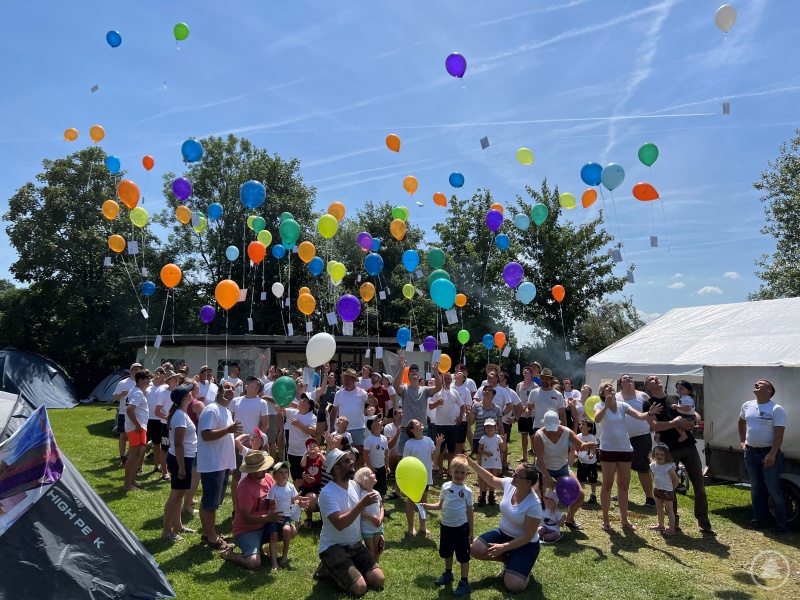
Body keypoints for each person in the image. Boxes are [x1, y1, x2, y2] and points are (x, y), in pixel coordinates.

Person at [644, 375, 716, 535]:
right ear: (648, 387)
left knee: (699, 485)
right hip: (670, 449)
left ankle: (704, 522)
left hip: (689, 446)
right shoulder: (648, 404)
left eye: (656, 378)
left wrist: (693, 421)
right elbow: (655, 425)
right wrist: (676, 423)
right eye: (651, 379)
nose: (655, 379)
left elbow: (694, 413)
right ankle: (673, 523)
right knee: (670, 486)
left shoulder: (675, 398)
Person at [466, 457, 542, 593]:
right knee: (474, 549)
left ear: (528, 482)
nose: (512, 475)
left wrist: (504, 547)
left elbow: (528, 536)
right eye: (513, 471)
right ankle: (509, 561)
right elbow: (490, 479)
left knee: (514, 586)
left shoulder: (534, 505)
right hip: (503, 534)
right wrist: (472, 463)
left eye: (517, 475)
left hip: (526, 544)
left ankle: (525, 571)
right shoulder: (509, 484)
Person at [315, 448, 385, 596]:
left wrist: (377, 533)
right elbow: (340, 524)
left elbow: (374, 507)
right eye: (347, 460)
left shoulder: (354, 485)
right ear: (337, 467)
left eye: (350, 459)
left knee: (379, 580)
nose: (352, 462)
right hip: (333, 548)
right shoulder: (327, 493)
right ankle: (328, 567)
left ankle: (343, 567)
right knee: (360, 588)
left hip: (355, 544)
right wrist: (361, 504)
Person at [594, 383, 659, 532]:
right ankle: (606, 520)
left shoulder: (622, 406)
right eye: (607, 388)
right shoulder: (599, 404)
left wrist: (649, 413)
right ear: (602, 393)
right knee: (607, 484)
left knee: (623, 485)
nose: (611, 389)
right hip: (608, 448)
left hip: (625, 448)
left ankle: (624, 520)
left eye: (612, 387)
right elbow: (597, 419)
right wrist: (606, 406)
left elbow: (639, 416)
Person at [221, 451, 289, 569]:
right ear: (251, 471)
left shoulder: (268, 478)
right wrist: (268, 517)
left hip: (266, 525)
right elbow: (246, 517)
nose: (264, 470)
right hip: (246, 530)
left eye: (264, 467)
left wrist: (295, 501)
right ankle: (230, 554)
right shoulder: (245, 487)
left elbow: (276, 498)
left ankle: (257, 547)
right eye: (260, 469)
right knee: (254, 563)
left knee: (289, 530)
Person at [738, 378, 788, 534]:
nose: (756, 384)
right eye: (756, 382)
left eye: (761, 383)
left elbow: (779, 434)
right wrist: (742, 441)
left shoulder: (776, 409)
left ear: (769, 391)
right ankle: (759, 520)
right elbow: (741, 422)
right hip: (751, 453)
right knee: (756, 488)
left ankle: (781, 525)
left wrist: (772, 454)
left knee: (773, 489)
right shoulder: (747, 405)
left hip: (768, 453)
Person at [421, 455, 474, 597]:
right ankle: (448, 573)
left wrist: (471, 531)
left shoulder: (467, 492)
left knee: (463, 556)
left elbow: (470, 513)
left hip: (461, 528)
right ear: (450, 471)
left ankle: (464, 582)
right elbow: (440, 505)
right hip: (445, 526)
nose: (459, 475)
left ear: (466, 475)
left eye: (462, 472)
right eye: (456, 471)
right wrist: (427, 506)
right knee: (447, 552)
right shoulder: (445, 487)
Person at [197, 381, 241, 550]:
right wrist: (228, 430)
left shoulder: (226, 411)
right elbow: (206, 435)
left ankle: (208, 534)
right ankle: (213, 538)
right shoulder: (212, 409)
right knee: (210, 504)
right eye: (227, 387)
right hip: (212, 464)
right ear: (219, 390)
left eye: (233, 388)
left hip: (221, 465)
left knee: (210, 502)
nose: (231, 390)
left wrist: (230, 464)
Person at [533, 411, 593, 530]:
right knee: (537, 495)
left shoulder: (567, 432)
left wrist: (588, 446)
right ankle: (538, 521)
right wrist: (547, 477)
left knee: (580, 495)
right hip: (544, 468)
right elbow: (540, 459)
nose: (551, 430)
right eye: (548, 427)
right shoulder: (539, 435)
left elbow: (580, 445)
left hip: (562, 467)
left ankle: (570, 519)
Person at [162, 384, 198, 541]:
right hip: (180, 460)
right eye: (189, 392)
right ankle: (166, 531)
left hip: (183, 459)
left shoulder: (180, 414)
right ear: (184, 398)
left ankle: (177, 526)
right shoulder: (180, 417)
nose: (192, 393)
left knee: (179, 494)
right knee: (175, 496)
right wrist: (182, 467)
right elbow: (178, 444)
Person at [230, 376, 271, 514]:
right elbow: (230, 422)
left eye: (253, 381)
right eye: (249, 381)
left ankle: (252, 506)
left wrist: (256, 439)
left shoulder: (262, 403)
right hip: (237, 443)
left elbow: (265, 425)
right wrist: (236, 437)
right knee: (237, 476)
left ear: (257, 387)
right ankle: (236, 508)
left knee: (254, 476)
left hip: (253, 446)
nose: (249, 382)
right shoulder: (235, 401)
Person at [617, 374, 656, 507]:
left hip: (641, 436)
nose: (629, 379)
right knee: (621, 467)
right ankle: (622, 494)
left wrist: (657, 431)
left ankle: (649, 497)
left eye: (630, 378)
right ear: (621, 383)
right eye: (625, 378)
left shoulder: (643, 396)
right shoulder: (616, 397)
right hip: (622, 437)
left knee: (643, 466)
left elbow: (652, 414)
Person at [402, 419, 444, 536]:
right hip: (413, 478)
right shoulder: (409, 444)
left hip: (425, 477)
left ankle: (422, 526)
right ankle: (411, 527)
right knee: (411, 501)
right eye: (417, 423)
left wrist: (438, 445)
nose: (420, 423)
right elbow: (405, 463)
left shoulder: (428, 440)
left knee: (423, 502)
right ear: (412, 430)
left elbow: (434, 456)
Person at [394, 357, 441, 453]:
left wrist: (435, 371)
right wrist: (401, 369)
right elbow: (395, 386)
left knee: (422, 456)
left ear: (419, 375)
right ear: (408, 376)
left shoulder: (425, 390)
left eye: (416, 371)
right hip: (406, 429)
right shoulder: (404, 389)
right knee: (402, 457)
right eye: (412, 371)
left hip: (421, 429)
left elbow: (439, 387)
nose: (414, 372)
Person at [331, 369, 376, 463]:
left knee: (358, 454)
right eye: (345, 378)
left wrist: (372, 398)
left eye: (349, 379)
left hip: (358, 428)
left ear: (354, 380)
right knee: (342, 455)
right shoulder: (339, 393)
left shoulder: (361, 392)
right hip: (343, 429)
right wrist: (331, 427)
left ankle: (358, 475)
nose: (346, 381)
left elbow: (374, 403)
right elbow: (334, 411)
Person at [266, 461, 301, 570]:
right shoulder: (273, 489)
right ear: (275, 476)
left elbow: (294, 501)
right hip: (274, 516)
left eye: (286, 472)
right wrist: (272, 505)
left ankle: (284, 555)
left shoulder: (291, 487)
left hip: (286, 516)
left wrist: (297, 503)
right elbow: (270, 505)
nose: (284, 474)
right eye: (280, 472)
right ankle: (273, 562)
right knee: (274, 536)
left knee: (286, 529)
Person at [430, 371, 465, 476]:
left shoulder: (454, 392)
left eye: (449, 379)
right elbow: (430, 406)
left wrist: (460, 417)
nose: (447, 380)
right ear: (442, 380)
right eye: (445, 379)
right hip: (440, 425)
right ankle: (440, 469)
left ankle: (450, 469)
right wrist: (437, 402)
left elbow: (462, 405)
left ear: (452, 380)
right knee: (440, 449)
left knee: (451, 449)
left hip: (452, 425)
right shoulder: (437, 392)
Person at [123, 369, 152, 491]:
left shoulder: (136, 391)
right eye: (147, 380)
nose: (149, 382)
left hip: (138, 427)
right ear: (140, 380)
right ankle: (127, 484)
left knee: (137, 455)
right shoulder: (138, 393)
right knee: (133, 456)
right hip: (136, 428)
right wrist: (138, 425)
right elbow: (130, 409)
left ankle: (132, 480)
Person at [527, 368, 567, 450]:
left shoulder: (558, 395)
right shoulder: (534, 392)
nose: (544, 380)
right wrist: (527, 411)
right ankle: (537, 463)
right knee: (538, 450)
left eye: (547, 378)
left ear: (551, 380)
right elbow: (529, 408)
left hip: (553, 426)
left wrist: (563, 430)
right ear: (540, 379)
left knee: (551, 450)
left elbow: (562, 414)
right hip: (538, 426)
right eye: (543, 378)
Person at [113, 362, 142, 465]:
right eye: (135, 370)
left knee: (134, 436)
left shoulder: (141, 383)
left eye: (139, 370)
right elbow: (114, 397)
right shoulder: (123, 383)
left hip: (137, 413)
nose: (137, 371)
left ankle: (132, 456)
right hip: (123, 413)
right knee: (123, 436)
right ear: (131, 371)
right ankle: (122, 457)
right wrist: (121, 394)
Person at [355, 467, 385, 563]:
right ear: (366, 480)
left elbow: (381, 506)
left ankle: (376, 566)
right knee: (370, 549)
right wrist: (371, 518)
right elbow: (359, 511)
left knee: (377, 549)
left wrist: (381, 517)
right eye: (371, 473)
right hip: (367, 527)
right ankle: (370, 567)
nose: (374, 474)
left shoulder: (377, 493)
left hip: (378, 526)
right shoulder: (362, 495)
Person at [649, 444, 679, 535]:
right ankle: (660, 525)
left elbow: (675, 480)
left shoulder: (668, 467)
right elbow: (654, 476)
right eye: (657, 454)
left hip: (667, 491)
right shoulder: (653, 465)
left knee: (669, 509)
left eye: (662, 455)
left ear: (666, 455)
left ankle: (671, 528)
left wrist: (671, 489)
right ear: (654, 454)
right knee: (659, 507)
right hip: (657, 489)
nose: (659, 456)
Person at [287, 394, 317, 487]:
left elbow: (312, 431)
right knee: (295, 477)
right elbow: (278, 408)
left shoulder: (312, 417)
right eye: (301, 399)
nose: (301, 400)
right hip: (291, 451)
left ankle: (298, 498)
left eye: (304, 400)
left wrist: (298, 424)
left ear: (308, 406)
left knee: (300, 478)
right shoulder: (293, 412)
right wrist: (289, 404)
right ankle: (297, 496)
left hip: (302, 453)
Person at [478, 419, 505, 506]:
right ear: (484, 428)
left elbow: (502, 449)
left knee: (493, 479)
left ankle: (491, 496)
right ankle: (483, 496)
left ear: (495, 427)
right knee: (485, 479)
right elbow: (479, 449)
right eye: (487, 427)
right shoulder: (483, 438)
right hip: (486, 461)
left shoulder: (498, 438)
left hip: (495, 461)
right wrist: (485, 453)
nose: (489, 428)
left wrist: (504, 441)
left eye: (491, 426)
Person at [468, 387, 503, 456]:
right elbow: (470, 423)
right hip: (479, 438)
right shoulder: (476, 406)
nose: (486, 391)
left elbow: (500, 425)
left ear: (493, 395)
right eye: (484, 390)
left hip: (493, 439)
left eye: (489, 390)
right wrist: (470, 414)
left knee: (493, 461)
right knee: (480, 464)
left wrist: (502, 438)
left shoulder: (497, 409)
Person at [145, 368, 167, 477]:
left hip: (160, 420)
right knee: (148, 444)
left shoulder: (165, 387)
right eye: (157, 372)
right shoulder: (148, 388)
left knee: (160, 444)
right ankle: (141, 466)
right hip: (149, 419)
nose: (159, 374)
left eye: (162, 373)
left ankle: (159, 466)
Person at [497, 372, 520, 471]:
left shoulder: (511, 392)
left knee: (503, 443)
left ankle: (504, 463)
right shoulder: (494, 389)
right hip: (492, 422)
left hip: (505, 422)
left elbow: (520, 407)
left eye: (501, 375)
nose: (498, 376)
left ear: (505, 380)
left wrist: (515, 419)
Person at [299, 437, 324, 528]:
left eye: (314, 445)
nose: (312, 447)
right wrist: (305, 454)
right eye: (310, 446)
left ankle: (323, 517)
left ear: (319, 448)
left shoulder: (319, 458)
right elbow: (302, 464)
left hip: (317, 485)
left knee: (316, 498)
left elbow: (325, 464)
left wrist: (321, 455)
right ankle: (309, 517)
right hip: (307, 485)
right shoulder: (307, 458)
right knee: (307, 499)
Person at [258, 358, 281, 457]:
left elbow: (277, 400)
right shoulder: (268, 383)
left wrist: (264, 397)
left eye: (279, 372)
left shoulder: (280, 386)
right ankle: (264, 459)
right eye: (277, 371)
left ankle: (271, 461)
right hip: (263, 413)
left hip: (272, 414)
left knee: (271, 440)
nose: (276, 372)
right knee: (262, 438)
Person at [363, 417, 389, 497]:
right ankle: (373, 506)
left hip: (382, 467)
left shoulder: (384, 439)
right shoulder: (369, 440)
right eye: (378, 421)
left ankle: (382, 506)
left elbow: (386, 453)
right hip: (372, 468)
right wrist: (371, 467)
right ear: (373, 426)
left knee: (383, 488)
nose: (381, 422)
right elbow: (365, 455)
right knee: (373, 488)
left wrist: (387, 466)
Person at [516, 366, 537, 463]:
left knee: (533, 437)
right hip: (522, 415)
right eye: (524, 370)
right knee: (523, 436)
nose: (525, 371)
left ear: (531, 374)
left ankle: (536, 458)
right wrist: (521, 409)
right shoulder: (519, 385)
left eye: (527, 371)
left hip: (532, 415)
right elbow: (517, 399)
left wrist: (529, 409)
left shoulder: (535, 386)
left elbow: (537, 401)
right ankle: (524, 457)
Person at [575, 419, 598, 504]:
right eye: (580, 424)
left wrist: (592, 454)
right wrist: (575, 453)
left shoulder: (591, 437)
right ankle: (580, 495)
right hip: (581, 461)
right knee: (580, 479)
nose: (581, 425)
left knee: (592, 479)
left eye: (583, 424)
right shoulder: (578, 436)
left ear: (589, 428)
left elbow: (593, 447)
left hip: (591, 462)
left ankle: (593, 494)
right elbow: (575, 447)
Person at [315, 366, 339, 442]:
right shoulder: (323, 388)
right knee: (318, 432)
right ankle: (317, 448)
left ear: (335, 379)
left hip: (332, 413)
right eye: (328, 375)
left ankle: (330, 448)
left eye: (331, 375)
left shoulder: (338, 389)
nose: (329, 376)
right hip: (322, 411)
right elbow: (318, 399)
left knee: (332, 432)